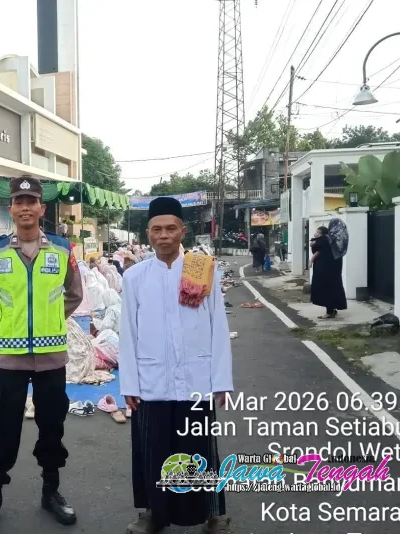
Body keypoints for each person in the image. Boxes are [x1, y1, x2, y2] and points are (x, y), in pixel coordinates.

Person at [0, 176, 83, 534]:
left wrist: (47, 320)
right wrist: (8, 325)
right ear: (11, 208)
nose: (25, 207)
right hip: (8, 358)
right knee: (3, 428)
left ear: (42, 208)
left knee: (52, 425)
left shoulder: (63, 250)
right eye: (18, 201)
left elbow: (74, 294)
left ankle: (52, 491)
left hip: (52, 356)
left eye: (31, 200)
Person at [118, 196, 233, 534]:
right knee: (152, 451)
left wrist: (221, 379)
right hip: (151, 380)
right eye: (157, 229)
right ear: (148, 233)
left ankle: (214, 514)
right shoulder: (135, 277)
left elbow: (218, 327)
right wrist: (129, 384)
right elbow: (128, 333)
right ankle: (153, 513)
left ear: (183, 231)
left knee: (201, 450)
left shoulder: (202, 268)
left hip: (196, 379)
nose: (164, 235)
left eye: (171, 228)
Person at [310, 219, 348, 319]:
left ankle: (329, 312)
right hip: (335, 271)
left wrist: (313, 243)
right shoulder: (339, 240)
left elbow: (315, 244)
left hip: (325, 270)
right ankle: (332, 309)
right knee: (334, 289)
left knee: (325, 290)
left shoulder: (327, 239)